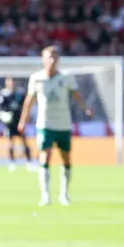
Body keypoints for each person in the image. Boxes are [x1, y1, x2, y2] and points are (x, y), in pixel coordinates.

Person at [18, 45, 93, 207]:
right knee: (45, 156)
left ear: (58, 59)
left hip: (64, 123)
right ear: (43, 60)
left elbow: (77, 95)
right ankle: (45, 195)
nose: (52, 60)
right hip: (45, 124)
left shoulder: (66, 78)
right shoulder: (36, 78)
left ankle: (64, 194)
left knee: (66, 158)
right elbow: (29, 101)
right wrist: (23, 120)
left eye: (54, 57)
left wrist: (85, 108)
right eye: (48, 57)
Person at [0, 77, 32, 171]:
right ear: (6, 82)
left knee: (24, 142)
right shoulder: (3, 94)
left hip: (19, 122)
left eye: (13, 81)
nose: (12, 83)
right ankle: (12, 162)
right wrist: (3, 115)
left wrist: (25, 118)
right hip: (9, 124)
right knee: (10, 143)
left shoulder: (20, 93)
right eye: (9, 81)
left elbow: (26, 106)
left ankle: (29, 162)